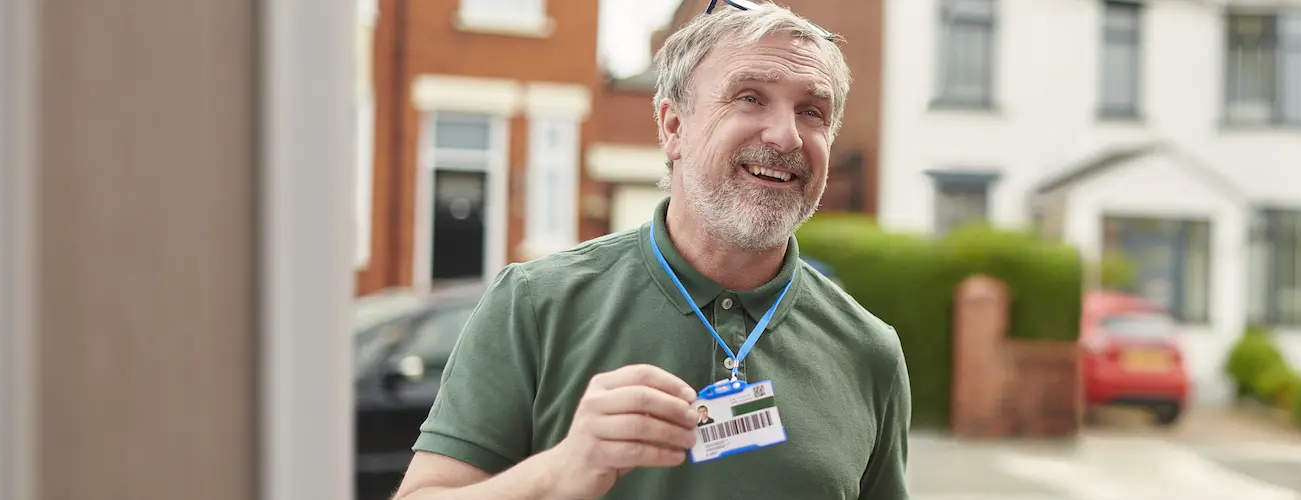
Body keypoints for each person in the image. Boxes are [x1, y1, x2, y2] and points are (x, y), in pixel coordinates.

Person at [389, 4, 911, 500]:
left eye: (812, 111)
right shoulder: (534, 305)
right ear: (672, 126)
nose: (786, 135)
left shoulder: (870, 352)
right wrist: (559, 472)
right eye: (750, 97)